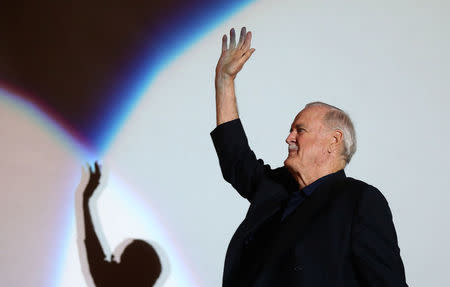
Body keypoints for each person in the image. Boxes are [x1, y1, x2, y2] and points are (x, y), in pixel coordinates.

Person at [211, 27, 408, 287]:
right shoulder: (276, 189)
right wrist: (224, 80)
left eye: (299, 130)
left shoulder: (359, 201)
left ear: (334, 140)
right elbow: (235, 157)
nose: (289, 138)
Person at [81, 162, 162, 286]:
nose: (113, 258)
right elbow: (92, 246)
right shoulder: (108, 279)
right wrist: (86, 200)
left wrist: (86, 199)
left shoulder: (108, 281)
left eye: (118, 259)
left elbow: (92, 245)